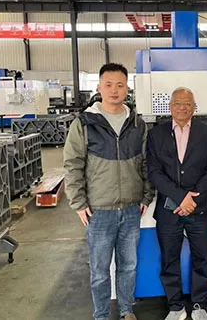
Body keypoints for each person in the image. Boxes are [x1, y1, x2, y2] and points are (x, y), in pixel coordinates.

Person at [64, 63, 154, 320]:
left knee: (129, 266)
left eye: (120, 85)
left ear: (127, 89)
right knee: (100, 270)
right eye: (109, 85)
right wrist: (79, 203)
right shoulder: (84, 123)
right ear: (99, 88)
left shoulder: (137, 124)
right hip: (99, 210)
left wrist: (146, 195)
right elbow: (72, 164)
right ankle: (101, 314)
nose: (114, 90)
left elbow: (146, 163)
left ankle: (126, 310)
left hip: (131, 209)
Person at [147, 87, 207, 320]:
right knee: (169, 259)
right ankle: (175, 306)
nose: (182, 108)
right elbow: (154, 172)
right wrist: (181, 197)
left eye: (188, 103)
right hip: (169, 210)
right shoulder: (156, 134)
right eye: (178, 103)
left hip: (201, 208)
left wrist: (193, 198)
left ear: (194, 107)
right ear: (170, 106)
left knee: (202, 258)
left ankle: (199, 305)